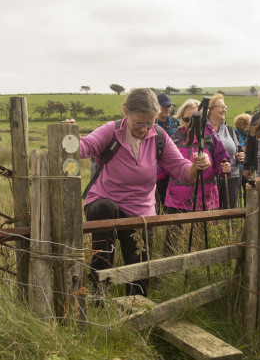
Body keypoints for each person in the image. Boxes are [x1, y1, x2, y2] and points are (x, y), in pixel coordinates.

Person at [80, 88, 210, 298]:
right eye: (139, 123)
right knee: (104, 237)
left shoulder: (159, 136)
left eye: (151, 123)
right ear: (126, 112)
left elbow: (182, 169)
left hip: (140, 211)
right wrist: (67, 134)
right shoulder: (110, 131)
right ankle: (97, 296)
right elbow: (83, 146)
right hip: (105, 203)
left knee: (139, 270)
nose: (144, 129)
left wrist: (196, 167)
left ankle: (136, 309)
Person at [159, 99, 230, 255]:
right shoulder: (175, 139)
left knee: (205, 242)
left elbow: (222, 161)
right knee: (171, 244)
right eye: (186, 120)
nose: (191, 124)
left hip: (205, 197)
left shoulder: (211, 138)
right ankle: (166, 275)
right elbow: (161, 168)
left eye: (195, 119)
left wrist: (225, 168)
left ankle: (201, 274)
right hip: (176, 199)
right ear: (180, 119)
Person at [207, 93, 245, 209]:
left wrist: (241, 156)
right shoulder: (203, 130)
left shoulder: (229, 129)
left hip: (232, 175)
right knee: (213, 212)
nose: (224, 110)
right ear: (211, 110)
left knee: (230, 211)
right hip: (211, 178)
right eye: (221, 107)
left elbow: (237, 149)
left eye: (225, 107)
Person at [155, 93, 180, 212]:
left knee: (171, 201)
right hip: (156, 169)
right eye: (164, 106)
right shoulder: (151, 124)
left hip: (174, 168)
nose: (167, 109)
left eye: (169, 106)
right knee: (155, 201)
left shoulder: (177, 123)